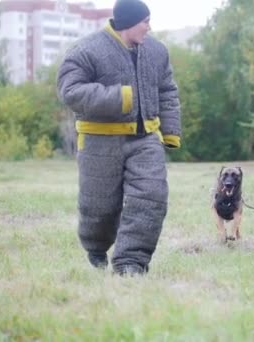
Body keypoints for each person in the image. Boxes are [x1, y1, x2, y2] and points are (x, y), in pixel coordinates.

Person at [56, 0, 181, 276]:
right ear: (128, 23)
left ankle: (130, 263)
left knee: (152, 198)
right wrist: (120, 97)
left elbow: (168, 91)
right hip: (100, 140)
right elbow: (70, 91)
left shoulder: (158, 51)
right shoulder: (86, 50)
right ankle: (96, 249)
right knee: (100, 208)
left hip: (146, 138)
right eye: (145, 21)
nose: (150, 27)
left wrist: (170, 132)